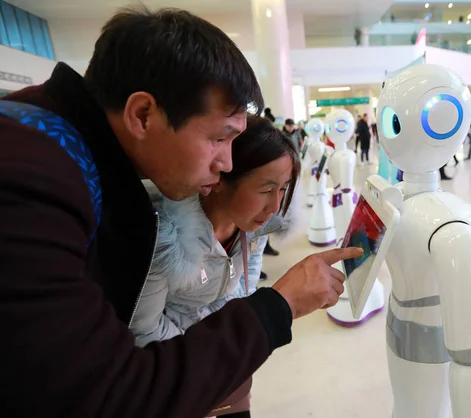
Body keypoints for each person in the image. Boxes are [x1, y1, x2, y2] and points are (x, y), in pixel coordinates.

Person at [0, 7, 360, 417]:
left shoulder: (72, 156)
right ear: (143, 114)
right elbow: (105, 394)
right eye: (218, 138)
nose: (226, 163)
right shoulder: (29, 183)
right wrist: (279, 306)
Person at [132, 116, 300, 417]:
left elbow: (247, 278)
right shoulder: (164, 238)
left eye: (283, 190)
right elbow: (144, 330)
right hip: (175, 367)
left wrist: (231, 335)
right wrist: (214, 350)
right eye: (266, 189)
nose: (275, 207)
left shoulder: (253, 226)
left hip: (223, 361)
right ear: (220, 179)